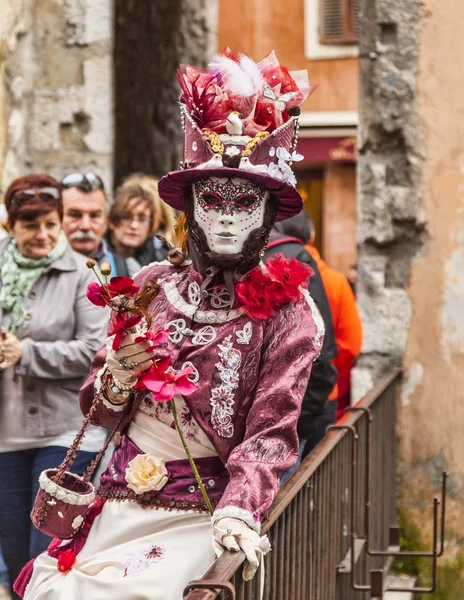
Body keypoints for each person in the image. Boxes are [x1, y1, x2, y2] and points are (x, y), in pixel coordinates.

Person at [18, 50, 324, 599]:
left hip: (204, 514)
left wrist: (239, 512)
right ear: (191, 209)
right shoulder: (153, 285)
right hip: (115, 499)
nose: (227, 215)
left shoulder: (291, 313)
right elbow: (97, 406)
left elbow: (270, 433)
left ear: (268, 213)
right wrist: (116, 376)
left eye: (244, 201)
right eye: (213, 199)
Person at [0, 174, 107, 599]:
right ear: (11, 226)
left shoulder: (85, 274)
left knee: (44, 554)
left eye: (50, 223)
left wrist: (27, 353)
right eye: (31, 225)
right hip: (7, 434)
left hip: (67, 432)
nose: (43, 234)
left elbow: (92, 352)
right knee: (11, 550)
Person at [265, 224, 338, 464]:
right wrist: (303, 422)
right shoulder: (297, 255)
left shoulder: (292, 256)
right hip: (289, 419)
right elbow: (324, 351)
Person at [106, 174, 177, 276]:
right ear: (111, 220)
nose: (134, 225)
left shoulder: (163, 259)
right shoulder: (97, 254)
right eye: (126, 217)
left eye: (142, 218)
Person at [61, 172, 109, 263]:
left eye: (94, 216)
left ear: (106, 221)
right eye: (75, 215)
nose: (85, 226)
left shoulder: (126, 269)